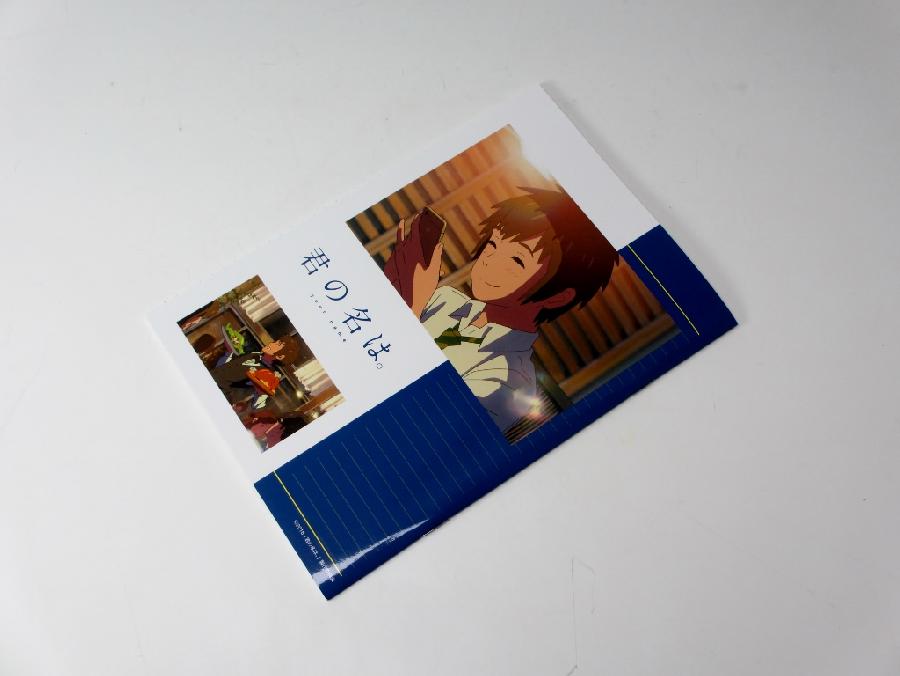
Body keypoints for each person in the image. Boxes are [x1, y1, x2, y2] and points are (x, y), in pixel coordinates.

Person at [384, 187, 618, 434]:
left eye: (517, 260)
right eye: (493, 243)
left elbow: (418, 421)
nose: (490, 260)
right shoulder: (444, 299)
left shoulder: (507, 381)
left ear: (558, 296)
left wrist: (412, 305)